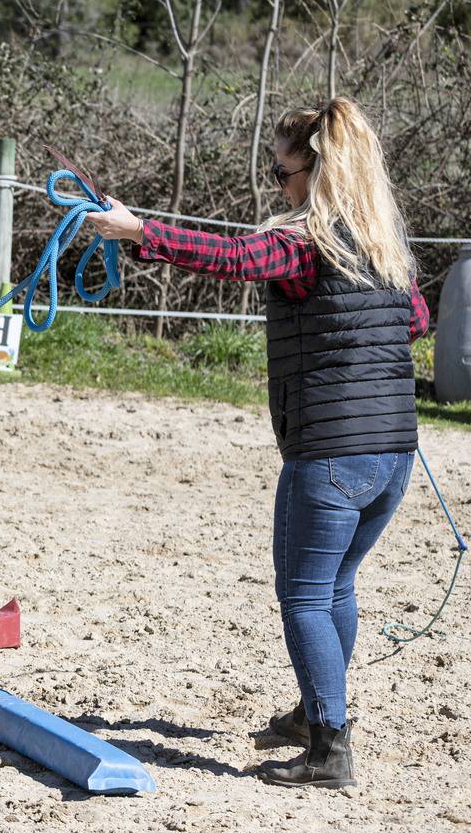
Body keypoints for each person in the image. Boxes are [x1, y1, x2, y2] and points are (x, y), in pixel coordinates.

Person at [89, 97, 429, 789]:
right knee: (335, 584)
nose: (276, 185)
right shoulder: (387, 249)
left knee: (303, 596)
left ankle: (329, 747)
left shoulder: (308, 242)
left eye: (281, 173)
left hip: (330, 450)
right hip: (393, 454)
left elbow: (233, 257)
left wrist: (139, 231)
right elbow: (414, 323)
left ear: (318, 171)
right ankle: (314, 713)